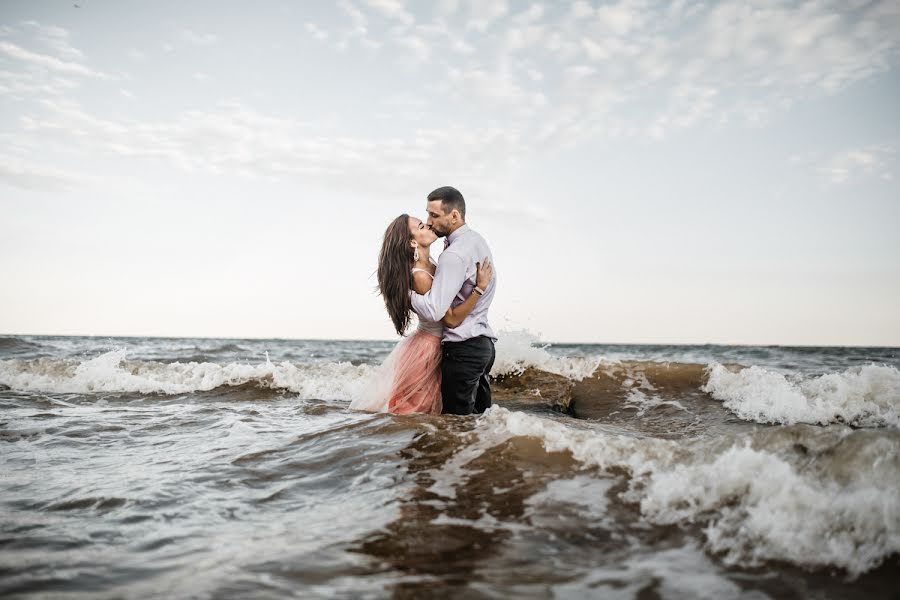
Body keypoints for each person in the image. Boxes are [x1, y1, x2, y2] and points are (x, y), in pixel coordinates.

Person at [349, 213, 493, 415]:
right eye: (421, 226)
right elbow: (449, 318)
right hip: (428, 349)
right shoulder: (420, 277)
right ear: (412, 242)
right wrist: (479, 288)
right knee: (417, 413)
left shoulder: (433, 263)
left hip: (437, 344)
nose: (428, 225)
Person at [410, 186, 497, 415]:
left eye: (435, 215)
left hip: (463, 350)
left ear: (455, 216)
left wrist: (405, 295)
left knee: (455, 425)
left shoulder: (452, 255)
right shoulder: (475, 240)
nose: (429, 222)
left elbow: (436, 311)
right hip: (483, 346)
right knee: (480, 423)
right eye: (428, 214)